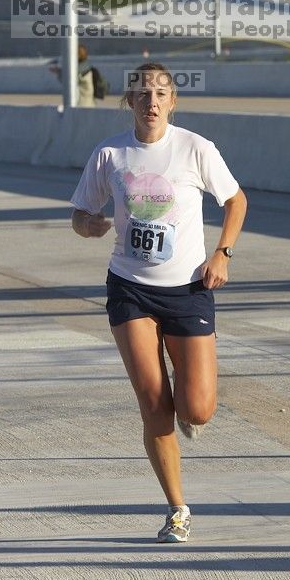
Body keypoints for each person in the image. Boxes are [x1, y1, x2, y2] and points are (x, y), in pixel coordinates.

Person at [70, 62, 247, 543]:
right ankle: (177, 509)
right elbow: (80, 215)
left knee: (198, 409)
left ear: (173, 101)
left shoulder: (195, 148)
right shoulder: (110, 154)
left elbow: (235, 201)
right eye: (143, 93)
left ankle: (190, 399)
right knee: (154, 404)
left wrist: (223, 254)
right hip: (130, 287)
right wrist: (92, 226)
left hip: (189, 288)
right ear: (129, 101)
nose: (152, 101)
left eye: (161, 93)